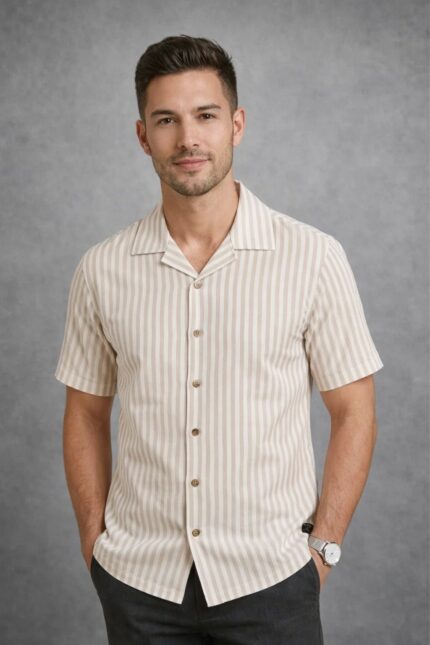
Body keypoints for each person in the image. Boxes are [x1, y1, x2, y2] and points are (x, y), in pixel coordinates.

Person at [54, 34, 384, 645]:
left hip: (273, 580)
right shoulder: (101, 269)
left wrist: (324, 548)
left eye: (205, 115)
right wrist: (95, 545)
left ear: (236, 125)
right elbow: (85, 413)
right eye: (166, 120)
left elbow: (354, 410)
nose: (188, 139)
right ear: (142, 136)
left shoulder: (313, 258)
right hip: (138, 584)